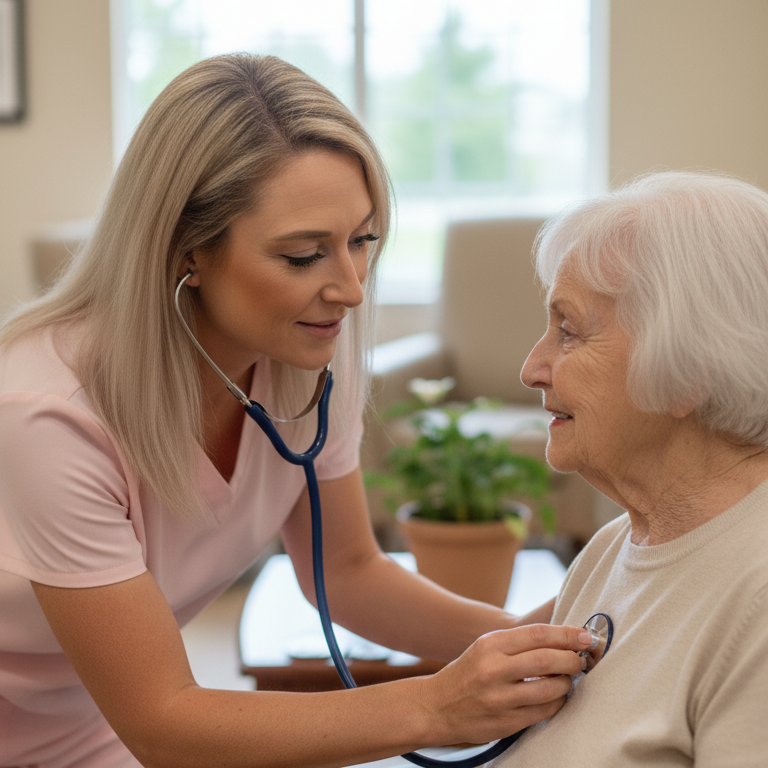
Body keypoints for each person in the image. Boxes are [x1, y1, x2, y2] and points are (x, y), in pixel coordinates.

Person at [0, 54, 594, 768]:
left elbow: (345, 570)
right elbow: (164, 722)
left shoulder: (303, 358)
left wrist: (516, 640)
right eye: (305, 255)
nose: (350, 288)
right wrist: (433, 708)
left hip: (90, 722)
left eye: (362, 241)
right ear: (186, 247)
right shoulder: (46, 416)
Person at [490, 171, 768, 768]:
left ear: (691, 366)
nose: (532, 368)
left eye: (569, 331)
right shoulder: (617, 543)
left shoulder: (758, 600)